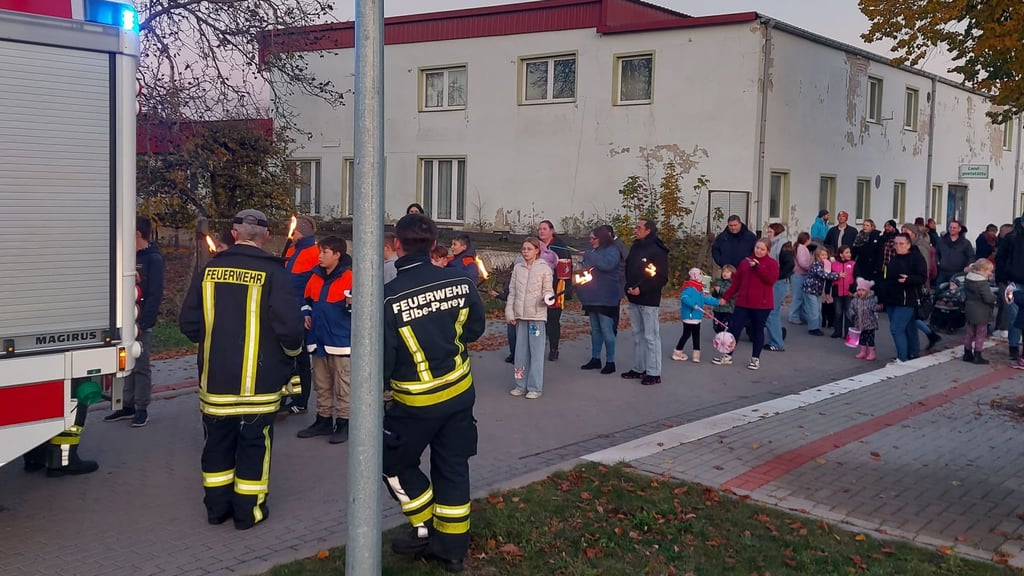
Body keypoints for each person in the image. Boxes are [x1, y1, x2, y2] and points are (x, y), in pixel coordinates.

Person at [178, 209, 304, 530]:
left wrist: (213, 340)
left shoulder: (209, 270)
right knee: (254, 445)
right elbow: (290, 329)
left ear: (233, 235)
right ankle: (249, 513)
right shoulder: (274, 272)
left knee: (216, 444)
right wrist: (290, 355)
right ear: (265, 237)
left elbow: (189, 323)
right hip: (258, 384)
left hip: (215, 380)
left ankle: (216, 509)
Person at [382, 213, 485, 573]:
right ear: (434, 244)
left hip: (416, 403)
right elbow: (474, 330)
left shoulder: (389, 297)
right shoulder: (461, 281)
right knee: (453, 467)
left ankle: (425, 526)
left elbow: (383, 359)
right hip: (460, 393)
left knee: (390, 462)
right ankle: (453, 550)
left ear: (397, 245)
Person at [104, 216, 164, 427]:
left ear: (138, 233)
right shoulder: (128, 256)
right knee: (125, 363)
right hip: (125, 321)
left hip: (141, 322)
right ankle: (126, 405)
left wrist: (145, 322)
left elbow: (155, 293)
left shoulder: (153, 259)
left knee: (141, 365)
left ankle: (141, 408)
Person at [296, 236, 354, 444]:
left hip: (340, 342)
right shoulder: (315, 277)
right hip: (318, 340)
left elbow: (358, 310)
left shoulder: (349, 277)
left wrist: (351, 305)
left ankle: (345, 423)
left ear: (337, 255)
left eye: (324, 252)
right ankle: (324, 419)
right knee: (322, 384)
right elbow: (306, 300)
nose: (319, 256)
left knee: (343, 386)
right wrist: (306, 313)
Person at [712, 239, 779, 370]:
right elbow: (736, 283)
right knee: (734, 329)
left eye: (762, 249)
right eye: (757, 248)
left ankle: (755, 358)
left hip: (762, 305)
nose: (759, 251)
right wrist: (726, 297)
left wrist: (758, 268)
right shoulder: (745, 262)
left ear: (768, 251)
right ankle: (727, 355)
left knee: (757, 330)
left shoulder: (771, 263)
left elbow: (771, 280)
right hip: (743, 303)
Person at [621, 219, 670, 386]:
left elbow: (661, 277)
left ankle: (654, 372)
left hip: (649, 300)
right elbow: (628, 268)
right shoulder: (636, 247)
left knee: (650, 336)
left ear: (648, 230)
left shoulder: (657, 250)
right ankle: (639, 368)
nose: (636, 230)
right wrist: (628, 286)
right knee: (637, 335)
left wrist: (642, 289)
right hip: (633, 297)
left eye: (639, 227)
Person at [506, 237, 555, 399]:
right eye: (524, 249)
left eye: (529, 249)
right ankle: (520, 384)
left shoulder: (544, 268)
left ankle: (535, 387)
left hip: (536, 316)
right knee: (520, 354)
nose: (525, 252)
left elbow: (548, 290)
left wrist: (547, 298)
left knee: (536, 353)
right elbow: (512, 292)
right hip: (521, 316)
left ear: (537, 251)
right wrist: (510, 313)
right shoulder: (518, 268)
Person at [279, 215, 318, 416]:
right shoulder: (292, 250)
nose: (291, 234)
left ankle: (301, 400)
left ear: (301, 231)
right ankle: (285, 397)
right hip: (286, 311)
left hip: (300, 313)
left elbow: (312, 286)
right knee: (286, 357)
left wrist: (306, 310)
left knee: (300, 359)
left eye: (293, 230)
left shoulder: (314, 253)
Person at [578, 226, 624, 374]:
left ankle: (610, 361)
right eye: (590, 238)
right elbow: (586, 269)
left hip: (606, 296)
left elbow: (607, 265)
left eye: (593, 238)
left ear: (602, 238)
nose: (591, 241)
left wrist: (589, 255)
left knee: (606, 329)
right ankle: (595, 358)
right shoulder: (592, 252)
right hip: (591, 295)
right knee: (595, 329)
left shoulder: (613, 250)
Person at [878, 233, 927, 363]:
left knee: (896, 329)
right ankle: (913, 353)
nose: (898, 246)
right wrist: (881, 295)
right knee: (909, 327)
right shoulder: (894, 258)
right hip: (891, 299)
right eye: (896, 243)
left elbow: (922, 277)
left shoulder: (916, 258)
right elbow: (886, 277)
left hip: (906, 300)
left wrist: (908, 279)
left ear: (908, 245)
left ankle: (902, 358)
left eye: (901, 244)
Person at [901, 224, 942, 350]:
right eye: (902, 230)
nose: (903, 232)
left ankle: (920, 342)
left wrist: (922, 283)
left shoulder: (920, 246)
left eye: (906, 231)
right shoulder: (910, 245)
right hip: (910, 282)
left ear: (913, 233)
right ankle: (930, 335)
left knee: (912, 315)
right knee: (911, 316)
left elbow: (924, 266)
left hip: (918, 284)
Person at [672, 267, 720, 363]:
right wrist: (693, 305)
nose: (702, 278)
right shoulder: (689, 287)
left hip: (697, 317)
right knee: (687, 334)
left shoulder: (699, 289)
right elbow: (684, 297)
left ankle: (696, 355)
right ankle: (678, 351)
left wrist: (718, 302)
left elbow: (705, 299)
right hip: (689, 316)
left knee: (696, 334)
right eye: (700, 276)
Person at [538, 220, 570, 361]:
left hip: (555, 287)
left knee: (552, 320)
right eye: (540, 229)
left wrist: (563, 291)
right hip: (537, 287)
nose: (541, 231)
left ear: (552, 231)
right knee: (538, 320)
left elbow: (565, 270)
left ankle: (553, 349)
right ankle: (536, 348)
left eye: (544, 229)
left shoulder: (560, 247)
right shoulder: (535, 244)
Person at [962, 259, 996, 365]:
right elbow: (987, 298)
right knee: (980, 333)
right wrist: (994, 298)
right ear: (982, 270)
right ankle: (978, 355)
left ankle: (967, 353)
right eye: (989, 271)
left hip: (969, 308)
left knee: (969, 332)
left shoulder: (968, 278)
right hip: (981, 310)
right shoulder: (982, 283)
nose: (990, 273)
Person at [801, 247, 839, 336]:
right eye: (822, 255)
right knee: (813, 309)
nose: (825, 257)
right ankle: (813, 328)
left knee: (818, 309)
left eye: (826, 255)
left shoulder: (824, 264)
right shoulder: (816, 264)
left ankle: (817, 327)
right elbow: (822, 274)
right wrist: (837, 275)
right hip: (810, 289)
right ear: (817, 256)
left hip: (817, 290)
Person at [765, 223, 791, 352]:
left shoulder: (783, 245)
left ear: (777, 232)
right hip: (776, 281)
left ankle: (776, 342)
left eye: (770, 232)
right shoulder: (775, 244)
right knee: (773, 312)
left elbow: (790, 264)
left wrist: (777, 276)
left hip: (779, 282)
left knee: (771, 312)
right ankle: (777, 339)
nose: (768, 234)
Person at [936, 220, 975, 287]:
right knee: (938, 291)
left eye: (954, 228)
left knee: (956, 292)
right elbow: (936, 253)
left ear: (959, 229)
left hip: (958, 273)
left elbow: (971, 256)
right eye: (950, 227)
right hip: (943, 273)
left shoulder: (965, 243)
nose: (952, 229)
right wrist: (938, 262)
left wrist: (968, 266)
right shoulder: (941, 241)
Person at [848, 277, 880, 361]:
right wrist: (852, 314)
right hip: (859, 323)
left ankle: (872, 353)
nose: (860, 292)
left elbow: (874, 308)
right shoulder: (854, 300)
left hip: (869, 324)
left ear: (867, 291)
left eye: (863, 290)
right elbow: (851, 308)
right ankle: (863, 351)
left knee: (870, 339)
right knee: (862, 339)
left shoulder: (870, 300)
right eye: (859, 290)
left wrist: (878, 307)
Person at [830, 245, 856, 338]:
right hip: (837, 291)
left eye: (849, 252)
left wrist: (853, 290)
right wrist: (827, 292)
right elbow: (830, 278)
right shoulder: (834, 264)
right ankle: (837, 331)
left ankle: (848, 333)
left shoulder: (853, 264)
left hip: (849, 292)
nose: (849, 254)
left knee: (849, 313)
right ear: (841, 254)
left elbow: (856, 277)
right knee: (838, 312)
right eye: (846, 252)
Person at [788, 232, 812, 325]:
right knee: (798, 297)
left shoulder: (799, 247)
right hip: (800, 274)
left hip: (799, 274)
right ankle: (794, 316)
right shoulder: (802, 248)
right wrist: (810, 267)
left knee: (800, 296)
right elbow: (802, 262)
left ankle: (800, 315)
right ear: (807, 239)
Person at [710, 265, 736, 333]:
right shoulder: (719, 282)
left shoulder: (733, 283)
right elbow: (715, 295)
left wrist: (720, 290)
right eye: (723, 272)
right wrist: (714, 291)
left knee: (725, 326)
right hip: (717, 309)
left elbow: (730, 294)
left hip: (727, 309)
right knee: (716, 327)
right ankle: (719, 335)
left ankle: (725, 337)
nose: (725, 273)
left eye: (727, 272)